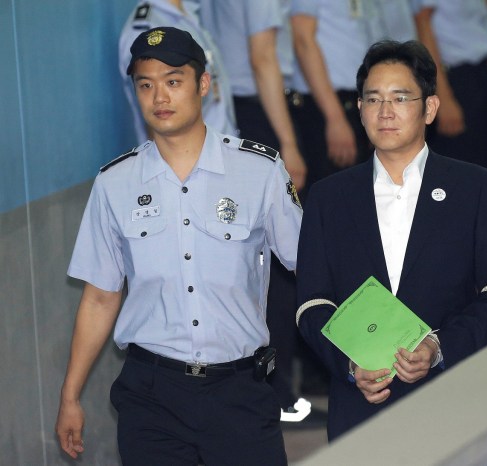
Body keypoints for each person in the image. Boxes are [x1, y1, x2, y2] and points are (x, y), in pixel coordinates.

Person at [55, 27, 301, 465]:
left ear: (203, 85)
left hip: (239, 391)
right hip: (152, 395)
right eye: (145, 85)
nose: (159, 97)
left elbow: (311, 264)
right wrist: (70, 395)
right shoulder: (116, 183)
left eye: (173, 81)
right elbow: (99, 297)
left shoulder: (259, 171)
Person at [295, 39, 487, 440]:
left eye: (400, 98)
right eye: (373, 99)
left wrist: (438, 347)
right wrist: (349, 364)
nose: (385, 112)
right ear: (360, 108)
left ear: (429, 108)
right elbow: (311, 302)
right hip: (361, 405)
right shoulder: (328, 196)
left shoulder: (477, 188)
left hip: (453, 398)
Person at [198, 0, 312, 424]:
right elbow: (263, 57)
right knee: (279, 267)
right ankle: (277, 396)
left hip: (240, 115)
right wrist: (289, 143)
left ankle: (271, 392)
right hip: (260, 112)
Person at [414, 0, 487, 169]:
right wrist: (442, 97)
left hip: (479, 71)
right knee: (453, 177)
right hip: (450, 76)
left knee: (479, 172)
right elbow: (422, 21)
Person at [288, 0, 378, 192]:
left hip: (358, 99)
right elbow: (302, 38)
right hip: (327, 105)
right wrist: (335, 118)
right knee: (336, 202)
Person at [119, 0, 236, 145]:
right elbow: (155, 120)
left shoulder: (188, 10)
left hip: (220, 148)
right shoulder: (149, 27)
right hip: (189, 160)